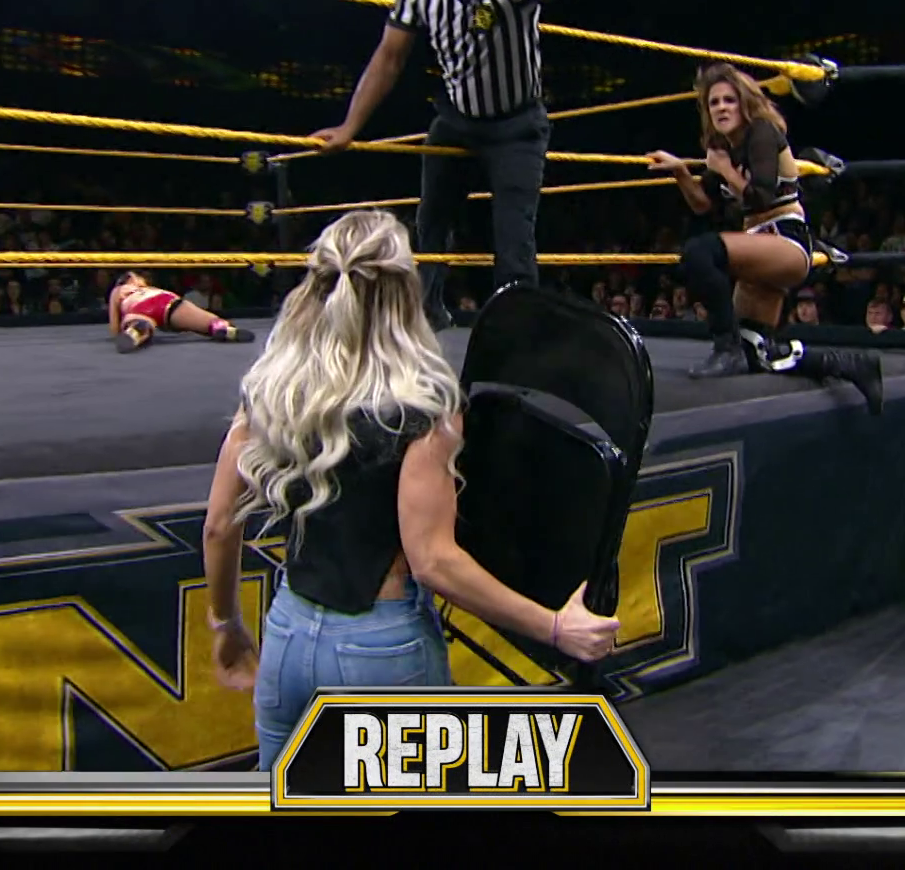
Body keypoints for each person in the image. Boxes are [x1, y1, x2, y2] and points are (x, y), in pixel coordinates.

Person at [199, 211, 621, 770]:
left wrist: (227, 624)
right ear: (405, 292)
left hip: (288, 634)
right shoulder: (423, 405)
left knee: (287, 802)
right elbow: (433, 561)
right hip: (379, 645)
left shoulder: (273, 388)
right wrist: (555, 628)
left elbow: (218, 526)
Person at [309, 0, 634, 334]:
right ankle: (425, 313)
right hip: (456, 119)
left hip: (517, 124)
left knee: (514, 233)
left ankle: (517, 329)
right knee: (431, 220)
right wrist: (349, 126)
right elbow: (389, 58)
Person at [647, 63, 884, 413]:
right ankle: (850, 364)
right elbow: (703, 205)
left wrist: (724, 169)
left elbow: (761, 197)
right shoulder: (722, 147)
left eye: (729, 100)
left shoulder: (762, 132)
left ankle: (724, 348)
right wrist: (681, 172)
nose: (721, 107)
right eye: (714, 102)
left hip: (786, 241)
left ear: (744, 103)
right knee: (756, 350)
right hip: (759, 245)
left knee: (700, 252)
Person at [109, 271, 253, 353]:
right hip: (166, 302)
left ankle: (137, 331)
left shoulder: (119, 291)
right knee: (209, 321)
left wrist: (122, 326)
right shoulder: (151, 289)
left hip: (137, 307)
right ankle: (221, 328)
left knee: (140, 323)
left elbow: (114, 328)